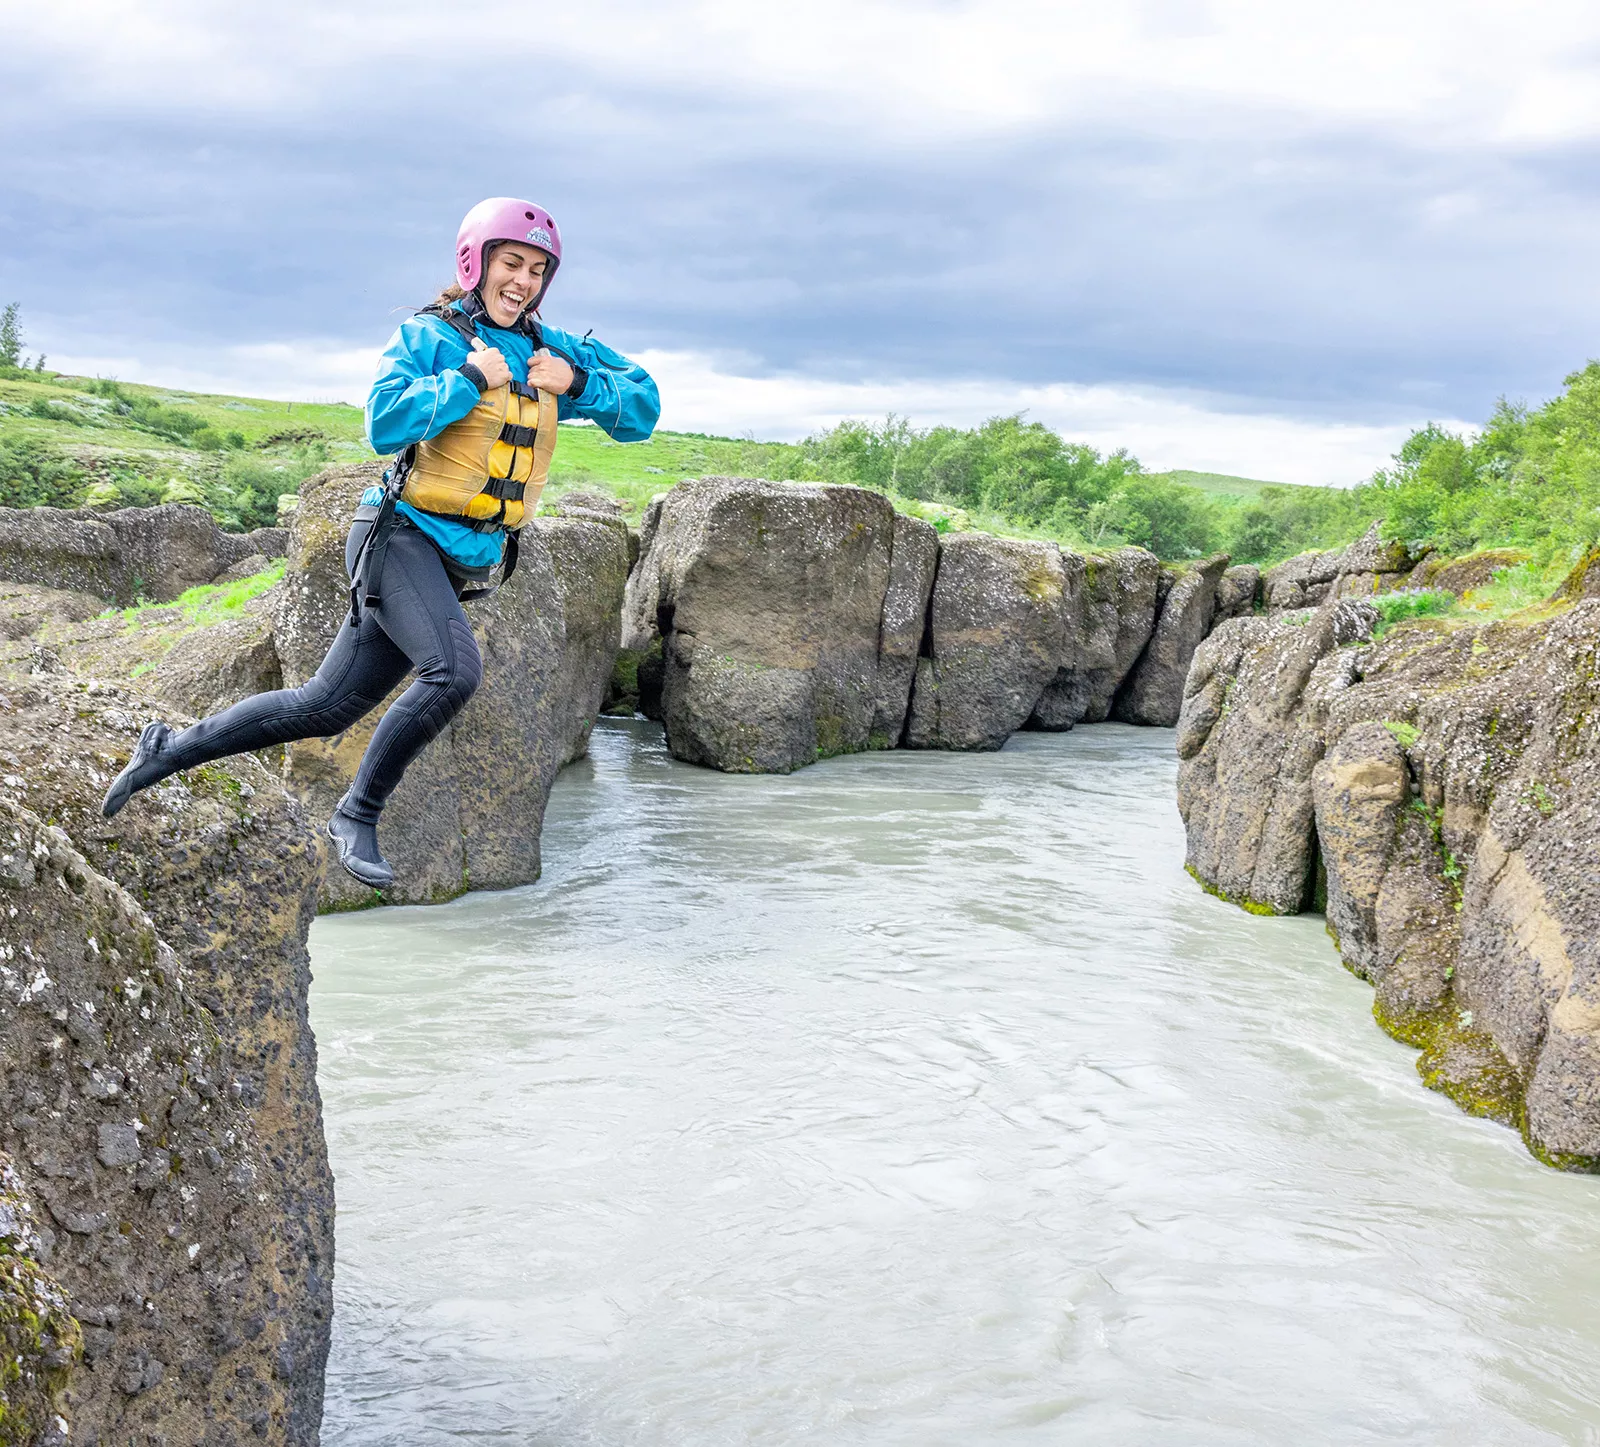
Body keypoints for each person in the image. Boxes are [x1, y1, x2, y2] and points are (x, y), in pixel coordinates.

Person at [101, 197, 660, 888]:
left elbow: (644, 408)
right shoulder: (432, 337)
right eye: (512, 263)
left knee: (322, 705)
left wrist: (578, 381)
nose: (524, 281)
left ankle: (165, 749)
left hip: (454, 561)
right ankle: (356, 812)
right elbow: (384, 422)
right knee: (454, 672)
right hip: (397, 539)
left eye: (538, 270)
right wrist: (467, 380)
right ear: (476, 261)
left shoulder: (551, 351)